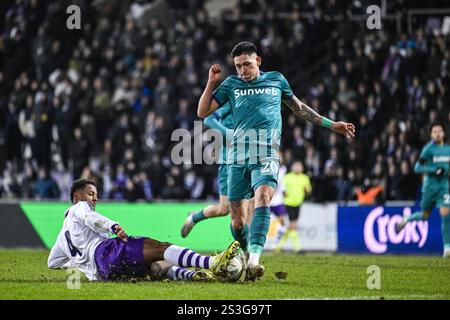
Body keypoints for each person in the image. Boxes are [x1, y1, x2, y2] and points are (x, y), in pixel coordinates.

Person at [197, 41, 355, 280]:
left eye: (247, 65)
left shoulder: (276, 80)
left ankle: (254, 260)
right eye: (238, 66)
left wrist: (332, 125)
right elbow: (202, 112)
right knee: (237, 221)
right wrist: (211, 83)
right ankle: (247, 249)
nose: (243, 71)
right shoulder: (231, 84)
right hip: (237, 157)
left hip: (266, 154)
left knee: (262, 198)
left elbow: (300, 109)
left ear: (258, 61)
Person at [47, 179, 241, 281]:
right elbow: (90, 216)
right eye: (90, 194)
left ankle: (193, 275)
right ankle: (212, 263)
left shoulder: (61, 238)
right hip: (105, 252)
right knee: (159, 248)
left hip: (102, 273)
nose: (95, 198)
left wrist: (80, 264)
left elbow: (52, 262)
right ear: (76, 196)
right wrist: (112, 226)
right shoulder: (78, 208)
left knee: (153, 264)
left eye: (96, 194)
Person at [181, 102, 254, 244]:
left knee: (251, 202)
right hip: (228, 162)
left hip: (249, 159)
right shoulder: (227, 101)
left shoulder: (252, 97)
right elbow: (208, 119)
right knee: (223, 209)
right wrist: (228, 133)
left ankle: (247, 246)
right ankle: (194, 218)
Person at [396, 123, 450, 258]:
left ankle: (447, 248)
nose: (437, 133)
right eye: (434, 132)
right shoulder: (428, 149)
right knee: (424, 216)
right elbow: (417, 167)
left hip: (444, 187)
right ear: (431, 135)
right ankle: (406, 219)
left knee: (446, 214)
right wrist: (433, 170)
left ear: (443, 133)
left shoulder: (448, 149)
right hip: (429, 188)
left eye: (440, 131)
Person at [275, 161, 311, 253]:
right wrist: (284, 193)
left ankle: (278, 247)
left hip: (298, 204)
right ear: (292, 167)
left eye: (299, 166)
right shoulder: (287, 177)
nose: (297, 168)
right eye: (296, 166)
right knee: (293, 225)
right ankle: (297, 248)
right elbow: (281, 188)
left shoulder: (305, 178)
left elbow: (308, 190)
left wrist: (307, 191)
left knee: (291, 226)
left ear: (302, 168)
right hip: (288, 203)